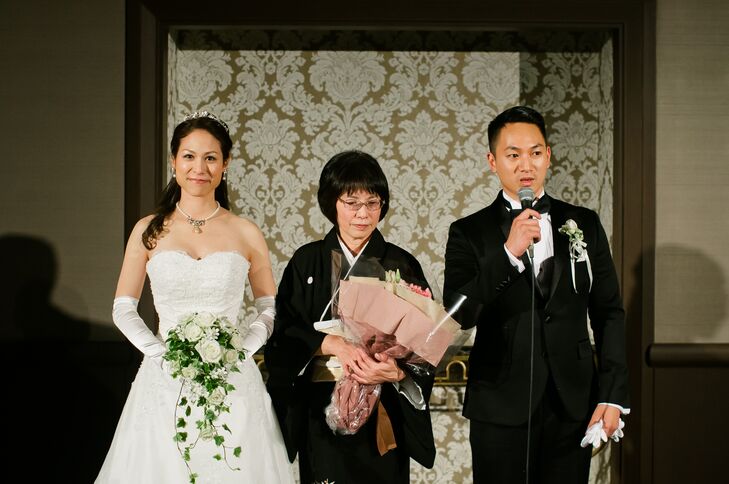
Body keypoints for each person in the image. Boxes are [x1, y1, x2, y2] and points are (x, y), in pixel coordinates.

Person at [96, 112, 294, 483]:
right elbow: (123, 306)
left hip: (232, 380)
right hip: (164, 381)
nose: (198, 167)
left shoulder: (245, 232)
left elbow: (268, 307)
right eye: (188, 156)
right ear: (173, 161)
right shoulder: (149, 229)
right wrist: (160, 353)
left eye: (210, 157)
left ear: (225, 163)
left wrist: (240, 350)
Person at [444, 106, 629, 483]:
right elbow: (459, 314)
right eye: (513, 155)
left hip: (571, 401)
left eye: (535, 152)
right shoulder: (468, 232)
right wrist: (508, 253)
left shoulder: (584, 223)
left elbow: (609, 312)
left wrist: (612, 394)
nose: (525, 164)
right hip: (499, 400)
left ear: (549, 156)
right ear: (492, 161)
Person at [264, 150, 436, 484]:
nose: (363, 214)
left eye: (373, 203)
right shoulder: (307, 261)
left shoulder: (401, 264)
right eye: (351, 202)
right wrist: (330, 343)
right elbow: (282, 333)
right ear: (332, 203)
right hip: (320, 410)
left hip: (382, 410)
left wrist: (397, 372)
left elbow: (426, 347)